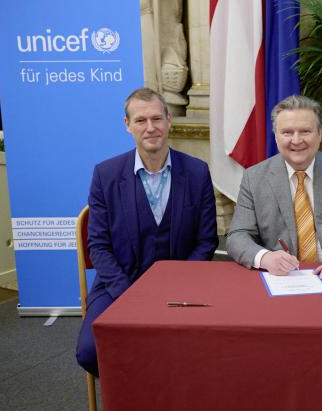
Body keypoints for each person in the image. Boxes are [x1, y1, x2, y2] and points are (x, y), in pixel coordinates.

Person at [76, 88, 218, 376]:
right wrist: (129, 295)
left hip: (182, 287)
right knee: (91, 352)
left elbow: (206, 241)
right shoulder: (105, 175)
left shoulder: (197, 172)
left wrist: (177, 286)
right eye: (140, 120)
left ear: (169, 120)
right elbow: (99, 246)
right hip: (118, 285)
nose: (150, 128)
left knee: (207, 349)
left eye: (157, 118)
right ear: (127, 125)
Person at [227, 95, 322, 281]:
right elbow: (238, 236)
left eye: (305, 131)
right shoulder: (254, 177)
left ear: (320, 134)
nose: (296, 140)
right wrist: (265, 258)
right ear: (276, 136)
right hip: (279, 278)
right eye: (287, 132)